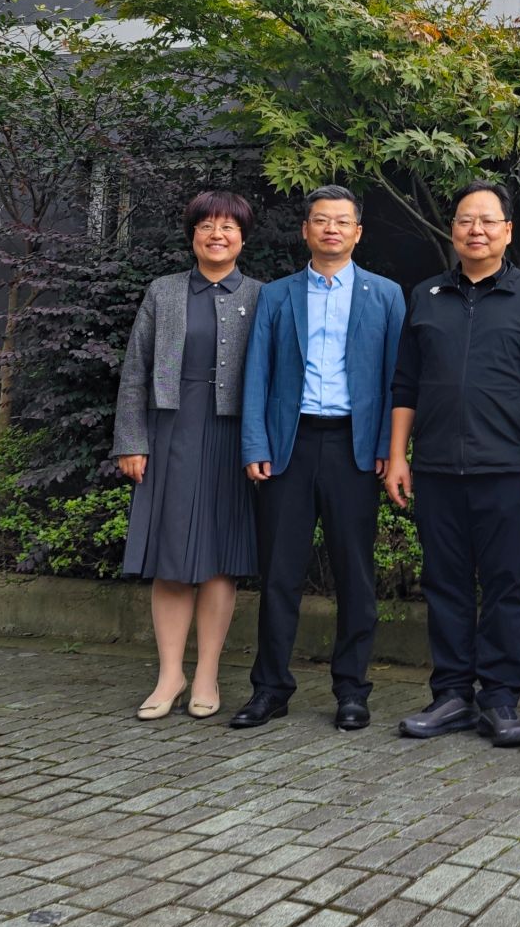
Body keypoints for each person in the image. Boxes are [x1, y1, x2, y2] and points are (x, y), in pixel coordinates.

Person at [385, 181, 520, 748]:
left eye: (488, 221)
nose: (476, 230)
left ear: (507, 230)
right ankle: (452, 695)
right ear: (453, 230)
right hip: (436, 468)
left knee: (505, 585)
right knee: (445, 584)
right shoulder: (425, 295)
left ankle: (501, 697)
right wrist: (398, 456)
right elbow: (405, 383)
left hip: (507, 468)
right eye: (465, 220)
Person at [234, 186, 405, 731]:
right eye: (321, 220)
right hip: (290, 446)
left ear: (358, 232)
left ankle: (352, 690)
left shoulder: (386, 295)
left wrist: (388, 447)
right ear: (305, 230)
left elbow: (396, 380)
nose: (332, 229)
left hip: (354, 448)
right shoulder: (277, 295)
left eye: (342, 221)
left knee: (354, 574)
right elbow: (257, 372)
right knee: (279, 573)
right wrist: (256, 444)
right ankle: (270, 688)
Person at [113, 191, 264, 721]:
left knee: (221, 557)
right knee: (171, 556)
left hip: (233, 437)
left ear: (243, 237)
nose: (216, 235)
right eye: (206, 226)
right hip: (171, 431)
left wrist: (262, 445)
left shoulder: (262, 296)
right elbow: (135, 369)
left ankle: (207, 674)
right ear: (193, 234)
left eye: (228, 227)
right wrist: (131, 439)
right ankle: (170, 674)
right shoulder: (164, 291)